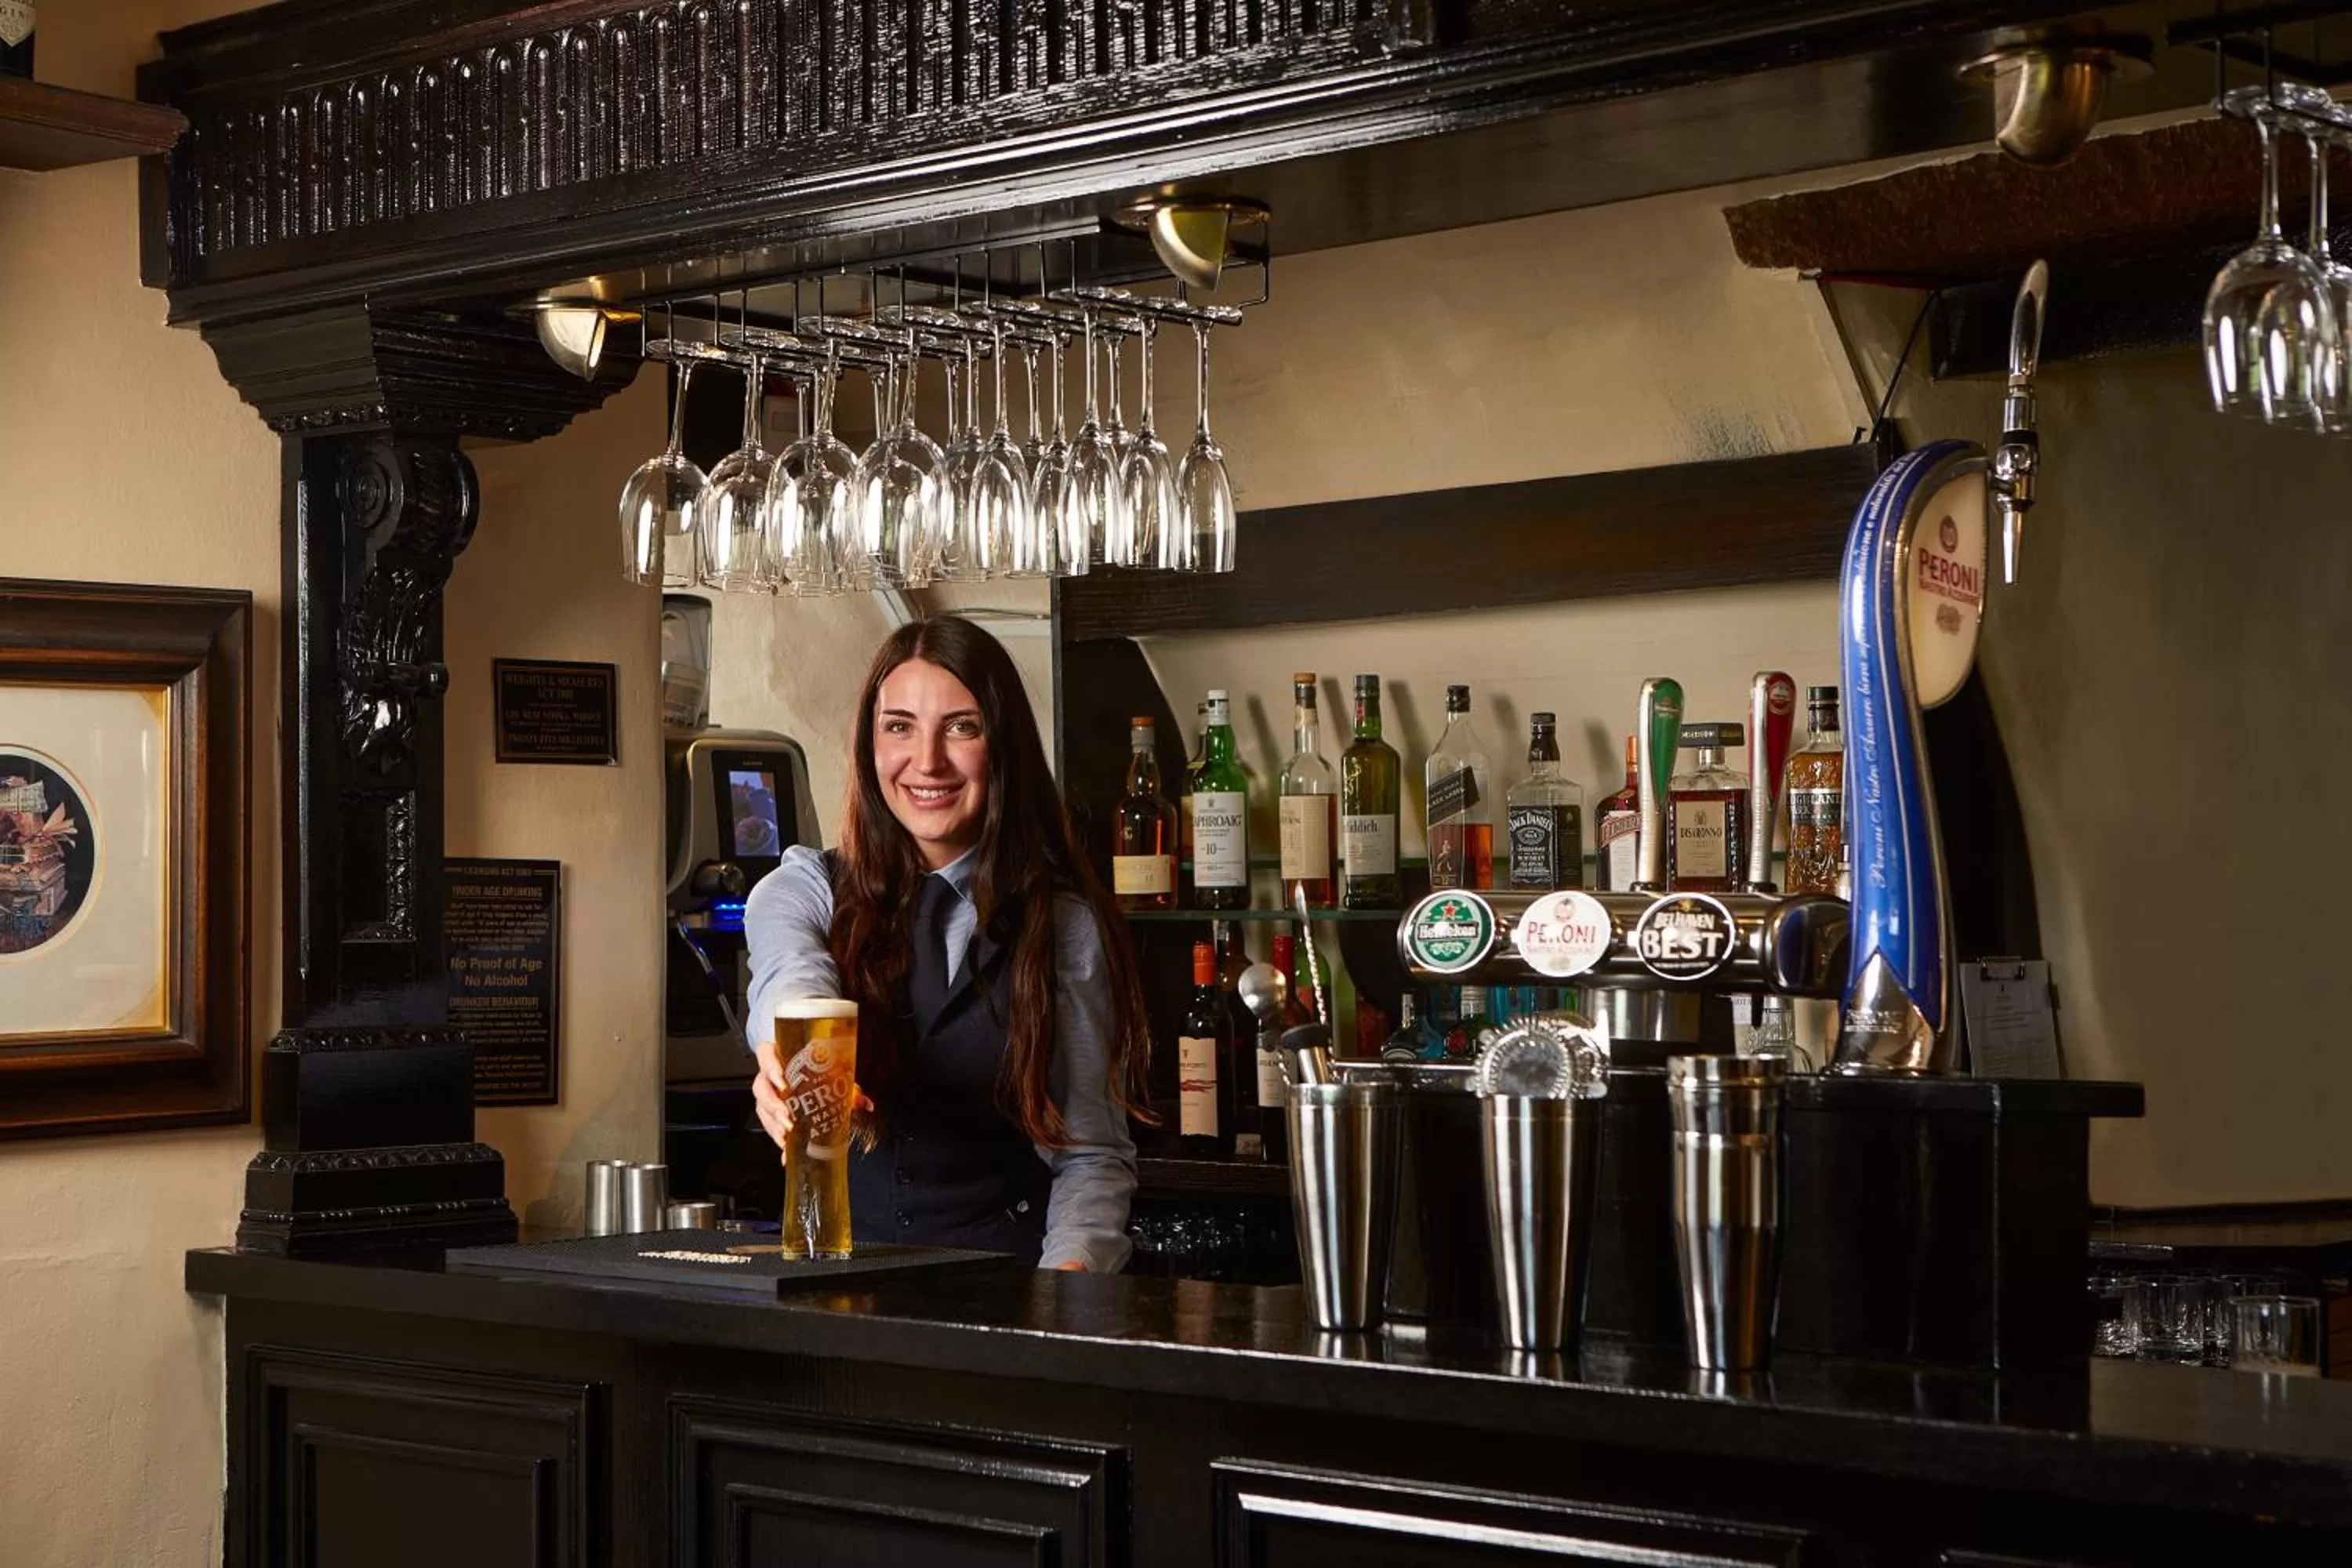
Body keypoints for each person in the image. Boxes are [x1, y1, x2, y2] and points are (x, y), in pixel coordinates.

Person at [743, 616, 1152, 1271]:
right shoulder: (803, 889)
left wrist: (1061, 1301)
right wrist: (791, 1054)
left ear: (1004, 746)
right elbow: (791, 975)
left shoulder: (1060, 923)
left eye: (962, 727)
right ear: (868, 745)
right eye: (898, 726)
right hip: (840, 1296)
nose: (926, 761)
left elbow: (1090, 1155)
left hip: (1008, 1300)